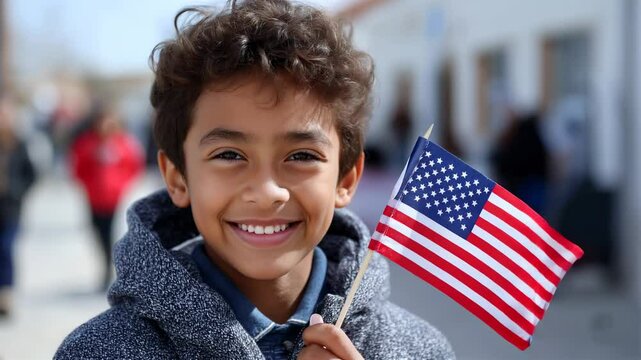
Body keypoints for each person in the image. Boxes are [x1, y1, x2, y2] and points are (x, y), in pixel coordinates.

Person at [56, 1, 455, 358]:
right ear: (177, 178)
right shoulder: (98, 351)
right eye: (229, 155)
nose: (267, 193)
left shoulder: (418, 349)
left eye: (301, 156)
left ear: (346, 179)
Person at [69, 108, 144, 290]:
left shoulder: (123, 143)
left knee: (114, 234)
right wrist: (88, 184)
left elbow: (134, 166)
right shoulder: (87, 143)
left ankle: (115, 270)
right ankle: (104, 266)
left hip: (115, 198)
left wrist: (121, 184)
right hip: (94, 197)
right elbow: (78, 167)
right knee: (98, 232)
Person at [0, 96, 36, 317]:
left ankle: (6, 295)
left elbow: (31, 174)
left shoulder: (19, 143)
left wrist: (16, 191)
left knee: (6, 249)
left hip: (11, 208)